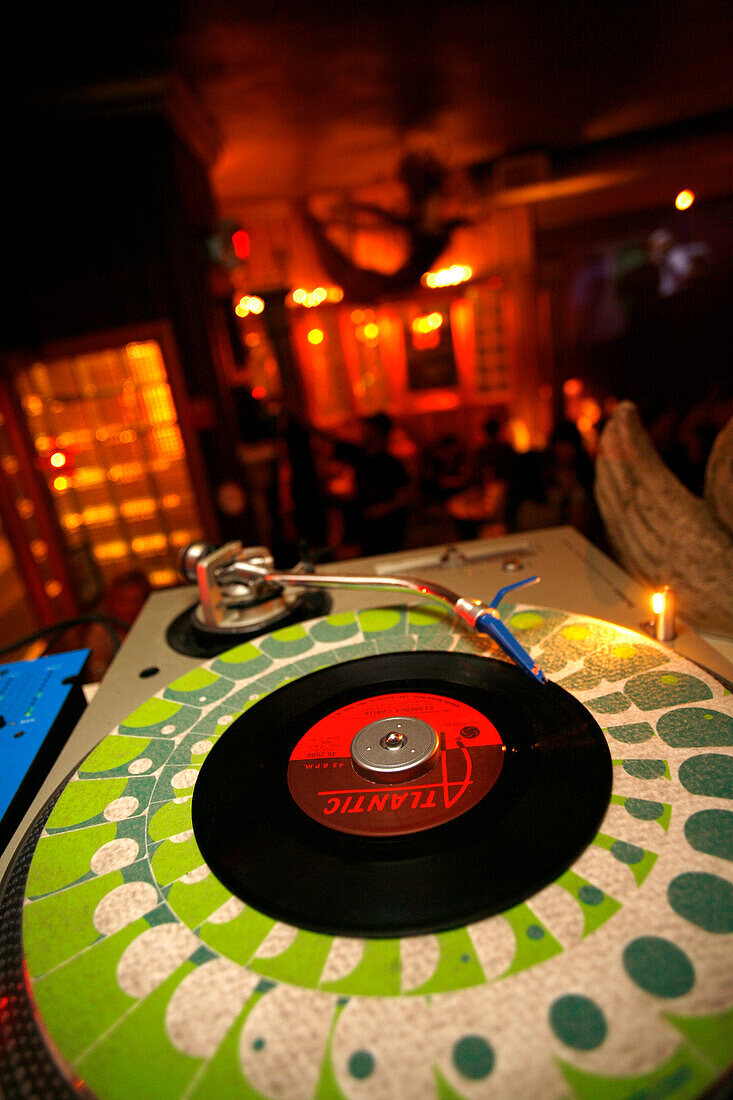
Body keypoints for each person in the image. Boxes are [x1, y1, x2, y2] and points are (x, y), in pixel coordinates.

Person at [335, 413, 412, 556]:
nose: (364, 433)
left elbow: (405, 497)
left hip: (385, 530)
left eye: (368, 430)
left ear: (379, 433)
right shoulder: (358, 457)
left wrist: (381, 510)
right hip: (359, 529)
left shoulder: (393, 465)